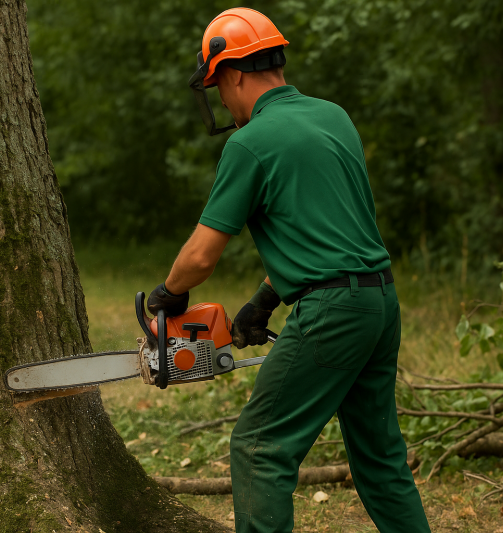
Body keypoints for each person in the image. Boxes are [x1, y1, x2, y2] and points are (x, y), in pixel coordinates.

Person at [147, 7, 431, 533]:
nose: (223, 100)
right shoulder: (333, 117)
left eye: (219, 87)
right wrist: (266, 299)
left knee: (259, 447)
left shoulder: (249, 142)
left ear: (231, 74)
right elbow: (332, 231)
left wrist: (169, 294)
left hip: (332, 312)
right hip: (379, 302)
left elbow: (201, 257)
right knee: (381, 458)